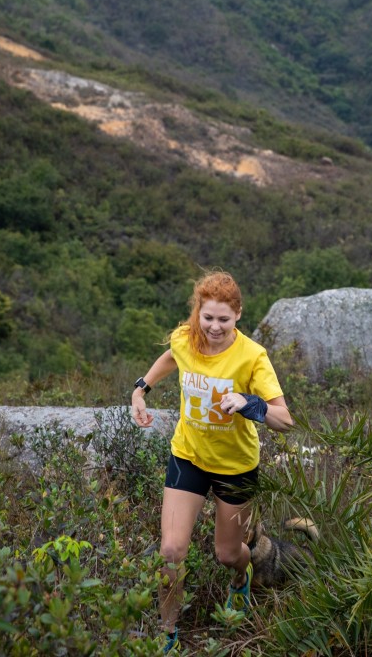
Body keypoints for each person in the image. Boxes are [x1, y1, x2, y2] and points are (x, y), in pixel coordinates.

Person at [131, 270, 293, 652]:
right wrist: (142, 389)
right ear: (197, 313)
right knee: (171, 551)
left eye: (223, 319)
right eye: (208, 318)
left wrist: (250, 404)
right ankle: (167, 634)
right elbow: (172, 356)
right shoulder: (187, 338)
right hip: (189, 456)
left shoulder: (253, 356)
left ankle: (242, 577)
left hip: (236, 466)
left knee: (227, 553)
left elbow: (285, 419)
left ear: (238, 314)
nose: (215, 327)